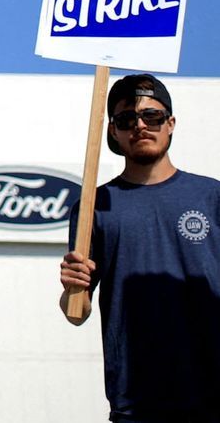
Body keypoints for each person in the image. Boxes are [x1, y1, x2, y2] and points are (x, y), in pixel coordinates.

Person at [59, 74, 220, 422]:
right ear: (113, 132)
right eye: (126, 120)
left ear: (171, 123)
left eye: (152, 116)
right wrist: (72, 286)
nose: (141, 126)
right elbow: (76, 312)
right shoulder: (93, 205)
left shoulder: (212, 197)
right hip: (136, 402)